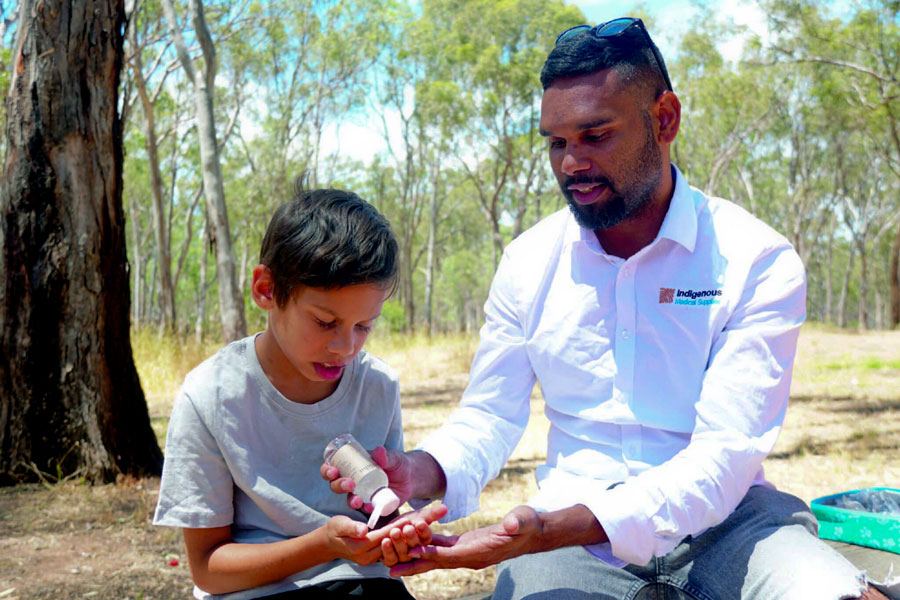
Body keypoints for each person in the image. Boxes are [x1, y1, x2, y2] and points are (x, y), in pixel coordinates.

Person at [323, 18, 891, 600]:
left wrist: (548, 526)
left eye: (596, 135)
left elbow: (725, 456)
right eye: (556, 142)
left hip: (730, 526)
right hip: (568, 544)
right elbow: (490, 416)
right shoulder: (528, 262)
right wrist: (418, 472)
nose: (571, 163)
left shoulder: (756, 259)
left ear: (664, 119)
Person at [153, 186, 446, 600]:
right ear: (266, 290)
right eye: (326, 322)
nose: (346, 347)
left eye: (364, 326)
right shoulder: (211, 397)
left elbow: (380, 512)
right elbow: (208, 569)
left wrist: (397, 531)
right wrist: (320, 545)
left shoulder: (377, 386)